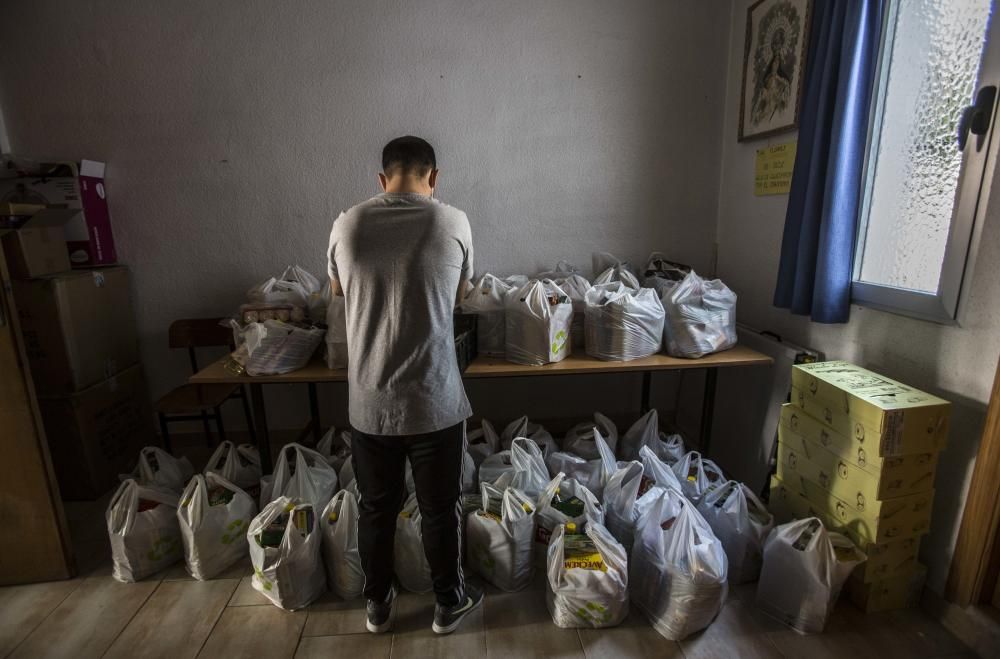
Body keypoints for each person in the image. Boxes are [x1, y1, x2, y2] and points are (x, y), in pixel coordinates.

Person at [326, 135, 482, 635]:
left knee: (376, 508)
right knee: (440, 511)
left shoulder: (346, 224)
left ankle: (378, 605)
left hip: (369, 402)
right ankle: (447, 603)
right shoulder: (451, 221)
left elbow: (335, 292)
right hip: (434, 401)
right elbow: (461, 295)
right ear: (433, 177)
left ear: (382, 178)